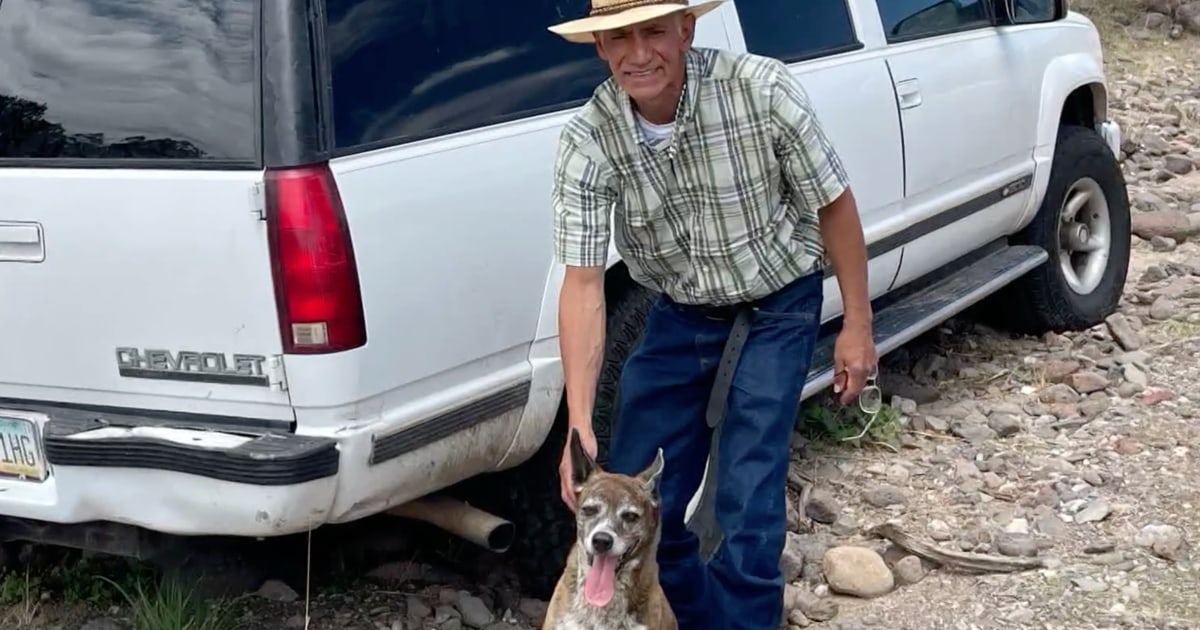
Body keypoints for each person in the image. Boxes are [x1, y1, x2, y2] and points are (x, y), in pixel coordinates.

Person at [547, 1, 877, 628]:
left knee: (748, 501)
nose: (639, 52)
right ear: (598, 46)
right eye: (620, 36)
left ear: (687, 29)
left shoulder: (761, 88)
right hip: (679, 309)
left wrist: (857, 326)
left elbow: (834, 205)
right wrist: (580, 422)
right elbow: (584, 283)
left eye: (653, 31)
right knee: (638, 500)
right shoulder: (588, 137)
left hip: (778, 300)